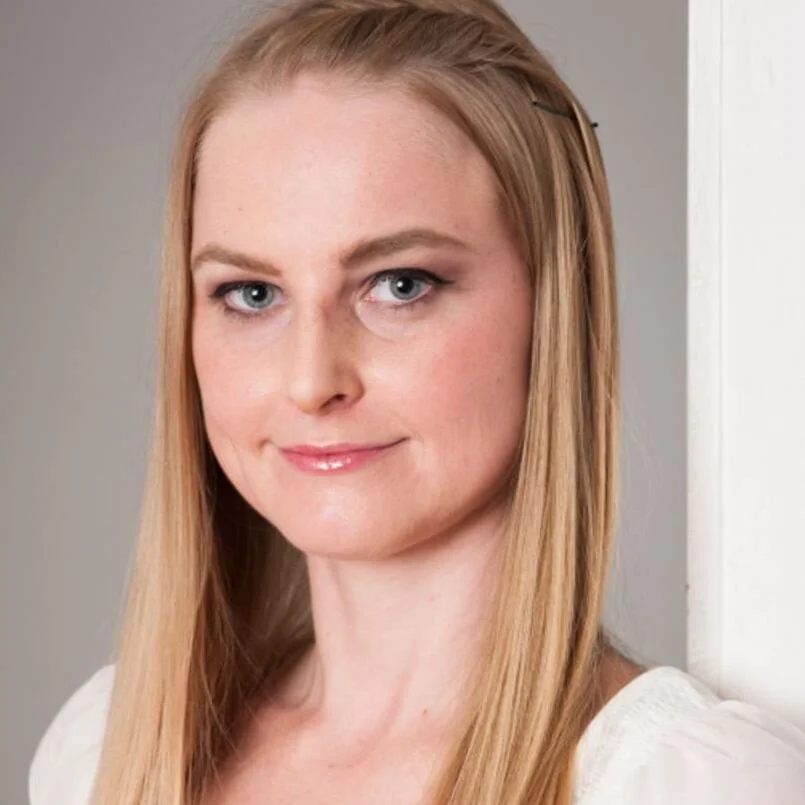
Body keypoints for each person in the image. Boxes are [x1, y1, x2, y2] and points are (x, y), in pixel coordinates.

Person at [27, 1, 805, 804]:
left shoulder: (686, 787)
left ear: (552, 308)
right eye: (252, 293)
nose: (310, 379)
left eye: (399, 285)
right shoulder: (103, 755)